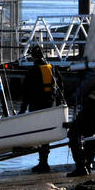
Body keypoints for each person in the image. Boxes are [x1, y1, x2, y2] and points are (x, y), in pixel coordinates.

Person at [19, 45, 58, 173]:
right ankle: (44, 162)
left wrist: (22, 111)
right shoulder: (52, 69)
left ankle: (43, 163)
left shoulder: (32, 72)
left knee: (39, 135)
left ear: (33, 57)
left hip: (37, 106)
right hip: (51, 106)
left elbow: (26, 93)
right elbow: (61, 88)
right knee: (46, 135)